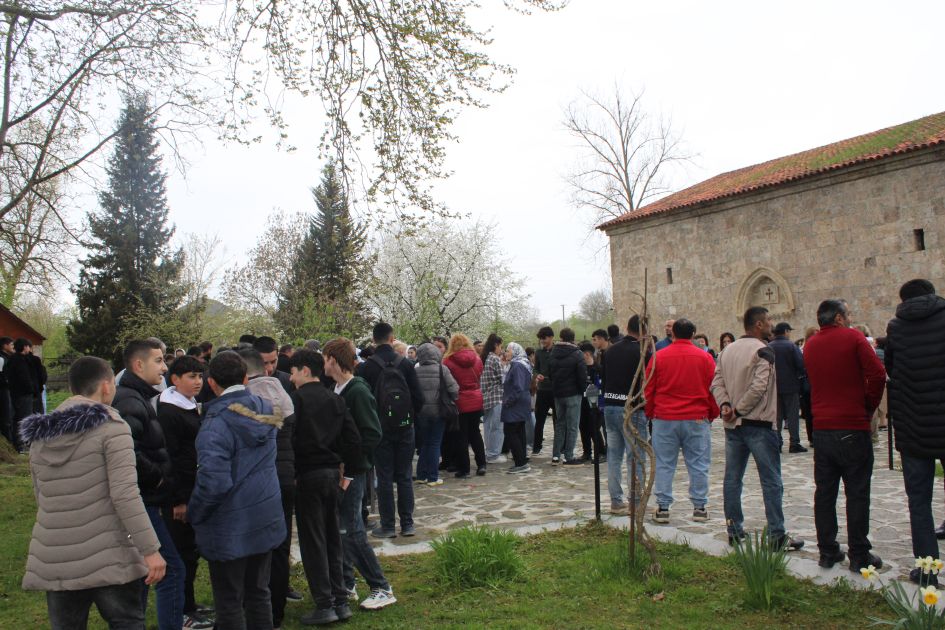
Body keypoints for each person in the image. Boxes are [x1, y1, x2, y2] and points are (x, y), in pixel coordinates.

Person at [20, 356, 166, 629]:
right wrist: (150, 550)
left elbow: (42, 495)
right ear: (106, 386)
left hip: (58, 556)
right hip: (110, 555)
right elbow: (125, 494)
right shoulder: (112, 428)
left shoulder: (40, 436)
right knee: (127, 622)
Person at [188, 351, 286, 630]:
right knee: (258, 592)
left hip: (229, 521)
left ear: (211, 383)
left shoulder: (215, 425)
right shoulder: (267, 408)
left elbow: (214, 483)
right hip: (263, 513)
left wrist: (195, 513)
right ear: (245, 378)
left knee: (230, 600)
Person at [712, 308, 804, 551]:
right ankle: (776, 534)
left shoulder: (726, 351)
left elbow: (717, 382)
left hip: (733, 425)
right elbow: (759, 386)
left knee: (732, 479)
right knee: (771, 480)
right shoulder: (763, 351)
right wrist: (738, 410)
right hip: (759, 424)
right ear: (759, 324)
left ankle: (734, 530)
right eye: (769, 320)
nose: (772, 323)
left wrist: (725, 405)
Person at [805, 299, 886, 573]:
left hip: (822, 428)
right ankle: (859, 553)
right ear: (839, 318)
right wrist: (868, 406)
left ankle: (827, 551)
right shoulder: (853, 338)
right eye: (847, 314)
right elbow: (878, 373)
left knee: (825, 492)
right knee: (857, 492)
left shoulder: (811, 344)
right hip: (852, 424)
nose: (850, 318)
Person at [321, 338, 397, 611]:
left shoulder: (358, 391)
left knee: (352, 530)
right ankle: (346, 583)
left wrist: (350, 466)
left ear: (332, 359)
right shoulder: (336, 388)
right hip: (342, 470)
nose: (323, 363)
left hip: (352, 472)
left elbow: (372, 433)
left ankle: (381, 587)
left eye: (324, 358)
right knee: (341, 530)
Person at [112, 339, 183, 630]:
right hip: (143, 499)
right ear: (139, 365)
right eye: (159, 361)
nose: (164, 368)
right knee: (171, 571)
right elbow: (126, 449)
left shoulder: (137, 396)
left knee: (143, 572)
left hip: (148, 498)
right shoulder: (129, 400)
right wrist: (157, 476)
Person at [288, 349, 361, 625]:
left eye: (293, 372)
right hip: (332, 475)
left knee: (313, 541)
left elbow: (289, 440)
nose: (291, 378)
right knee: (332, 537)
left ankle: (325, 603)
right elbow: (353, 440)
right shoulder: (335, 399)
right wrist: (347, 472)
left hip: (308, 475)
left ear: (305, 370)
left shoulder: (296, 400)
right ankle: (340, 600)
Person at [886, 279, 945, 583]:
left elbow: (892, 368)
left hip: (913, 424)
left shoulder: (896, 327)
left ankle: (927, 570)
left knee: (919, 502)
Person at [238, 348, 297, 628]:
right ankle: (277, 610)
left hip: (259, 480)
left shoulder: (247, 400)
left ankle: (253, 605)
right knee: (280, 545)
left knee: (255, 547)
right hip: (285, 477)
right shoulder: (283, 393)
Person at [156, 356, 215, 629]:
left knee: (190, 552)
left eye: (200, 376)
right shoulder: (169, 411)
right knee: (181, 553)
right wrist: (178, 500)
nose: (198, 382)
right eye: (191, 377)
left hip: (193, 486)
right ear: (175, 379)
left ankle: (189, 604)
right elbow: (170, 458)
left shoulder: (189, 404)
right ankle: (181, 610)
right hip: (179, 493)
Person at [645, 319, 717, 525]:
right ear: (693, 334)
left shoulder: (659, 357)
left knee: (664, 463)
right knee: (698, 463)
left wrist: (651, 413)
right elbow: (713, 388)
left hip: (665, 417)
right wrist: (712, 413)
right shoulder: (705, 358)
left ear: (673, 334)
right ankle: (699, 507)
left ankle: (663, 507)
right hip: (696, 417)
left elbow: (649, 388)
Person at [356, 322, 424, 538]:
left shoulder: (366, 367)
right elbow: (419, 398)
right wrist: (409, 417)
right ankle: (407, 524)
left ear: (373, 340)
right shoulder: (405, 364)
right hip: (405, 427)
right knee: (404, 475)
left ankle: (387, 526)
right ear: (392, 338)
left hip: (380, 429)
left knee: (384, 477)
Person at [601, 315, 650, 515]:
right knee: (635, 456)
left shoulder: (610, 351)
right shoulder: (642, 351)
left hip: (610, 405)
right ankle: (636, 502)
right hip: (632, 408)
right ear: (644, 330)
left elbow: (604, 378)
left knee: (614, 455)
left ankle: (616, 500)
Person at [414, 342, 459, 485]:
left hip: (421, 412)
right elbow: (454, 389)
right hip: (439, 411)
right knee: (434, 443)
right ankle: (433, 477)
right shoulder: (442, 369)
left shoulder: (415, 371)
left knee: (424, 444)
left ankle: (421, 475)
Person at [443, 333, 486, 478]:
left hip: (459, 401)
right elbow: (479, 375)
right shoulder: (477, 359)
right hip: (476, 399)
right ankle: (481, 464)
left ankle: (464, 468)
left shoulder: (448, 361)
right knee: (475, 433)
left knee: (461, 436)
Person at [548, 328, 586, 465]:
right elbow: (582, 375)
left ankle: (556, 456)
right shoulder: (577, 353)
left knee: (560, 424)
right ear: (573, 338)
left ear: (561, 337)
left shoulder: (553, 352)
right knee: (572, 426)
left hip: (558, 394)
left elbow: (550, 373)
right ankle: (568, 456)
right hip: (573, 393)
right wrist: (583, 390)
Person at [769, 322, 808, 453]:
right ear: (785, 331)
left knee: (777, 417)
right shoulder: (791, 346)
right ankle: (794, 443)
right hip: (791, 386)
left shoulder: (769, 346)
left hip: (774, 387)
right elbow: (801, 365)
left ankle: (777, 443)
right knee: (792, 416)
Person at [501, 342, 533, 473]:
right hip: (520, 403)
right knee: (519, 432)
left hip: (515, 404)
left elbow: (518, 387)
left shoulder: (517, 365)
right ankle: (521, 461)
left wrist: (508, 401)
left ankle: (520, 463)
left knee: (510, 432)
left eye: (508, 351)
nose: (506, 353)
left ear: (515, 351)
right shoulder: (522, 363)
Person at [479, 333, 505, 464]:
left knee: (488, 427)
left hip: (485, 398)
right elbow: (503, 378)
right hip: (496, 397)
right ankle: (494, 455)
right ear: (496, 345)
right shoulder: (495, 359)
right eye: (501, 346)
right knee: (497, 427)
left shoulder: (484, 358)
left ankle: (489, 452)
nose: (501, 349)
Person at [578, 341, 606, 462]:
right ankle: (587, 453)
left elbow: (602, 386)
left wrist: (601, 404)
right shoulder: (580, 368)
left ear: (587, 354)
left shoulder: (598, 369)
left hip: (596, 404)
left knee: (594, 428)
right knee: (583, 427)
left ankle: (601, 452)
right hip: (582, 402)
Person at [6, 338, 35, 452]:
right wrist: (31, 389)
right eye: (28, 346)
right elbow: (24, 378)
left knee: (17, 418)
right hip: (23, 394)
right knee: (24, 418)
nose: (29, 348)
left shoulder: (12, 359)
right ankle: (22, 444)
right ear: (24, 347)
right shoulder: (20, 360)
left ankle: (18, 444)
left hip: (14, 393)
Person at [532, 327, 556, 456]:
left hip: (555, 390)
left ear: (551, 337)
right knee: (539, 420)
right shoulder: (538, 352)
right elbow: (535, 369)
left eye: (544, 338)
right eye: (540, 339)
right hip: (542, 390)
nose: (542, 341)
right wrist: (537, 375)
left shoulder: (557, 351)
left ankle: (559, 447)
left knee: (558, 421)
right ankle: (537, 446)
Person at [0, 336, 12, 445]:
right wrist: (8, 382)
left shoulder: (8, 358)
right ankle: (7, 441)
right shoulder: (1, 358)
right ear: (5, 345)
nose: (12, 346)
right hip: (3, 390)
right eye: (11, 344)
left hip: (7, 389)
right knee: (6, 415)